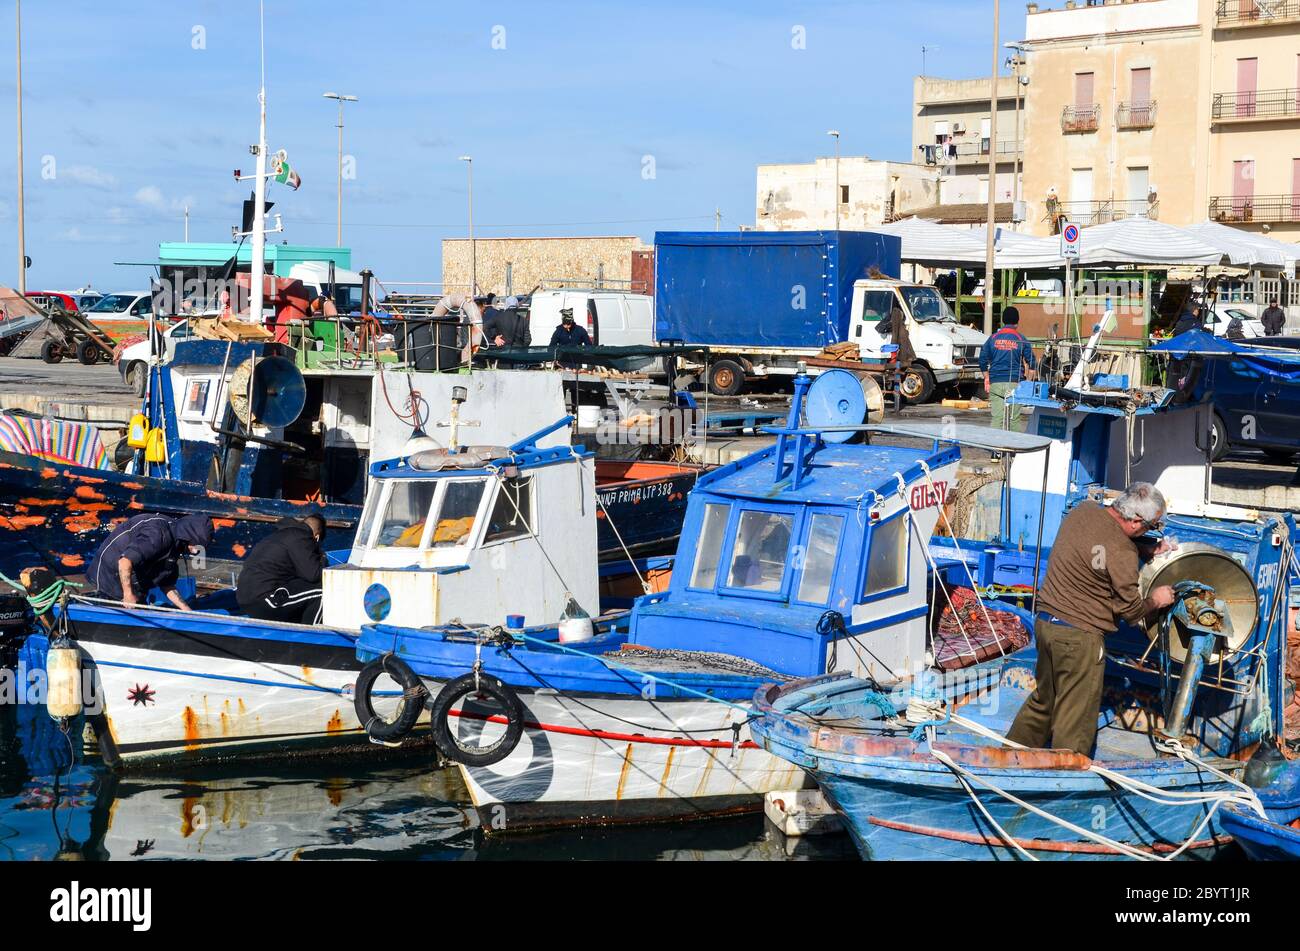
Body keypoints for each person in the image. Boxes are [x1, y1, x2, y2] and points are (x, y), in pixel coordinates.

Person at [1006, 484, 1177, 756]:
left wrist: (1145, 548)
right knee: (1076, 716)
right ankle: (1065, 780)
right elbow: (1131, 612)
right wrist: (1157, 599)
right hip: (1079, 639)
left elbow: (1096, 546)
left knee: (1044, 700)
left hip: (1046, 624)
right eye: (1151, 527)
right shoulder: (1123, 552)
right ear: (1135, 521)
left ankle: (1008, 757)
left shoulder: (1081, 512)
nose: (1152, 531)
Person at [84, 513, 214, 611]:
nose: (197, 551)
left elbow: (166, 584)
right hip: (108, 580)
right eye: (199, 545)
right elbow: (125, 561)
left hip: (136, 585)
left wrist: (187, 611)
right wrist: (128, 594)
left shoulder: (177, 545)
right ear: (191, 535)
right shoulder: (157, 533)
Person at [235, 515, 327, 624]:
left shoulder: (278, 535)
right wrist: (322, 559)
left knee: (301, 589)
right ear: (316, 537)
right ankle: (311, 637)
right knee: (322, 592)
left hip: (244, 598)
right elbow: (313, 574)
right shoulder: (301, 537)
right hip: (265, 600)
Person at [978, 306, 1037, 431]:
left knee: (997, 419)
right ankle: (1013, 448)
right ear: (1017, 321)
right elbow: (1032, 362)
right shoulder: (1021, 339)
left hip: (996, 383)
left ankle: (995, 448)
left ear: (1003, 320)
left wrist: (987, 377)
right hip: (1014, 384)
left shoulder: (993, 338)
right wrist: (1028, 381)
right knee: (1014, 419)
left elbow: (982, 359)